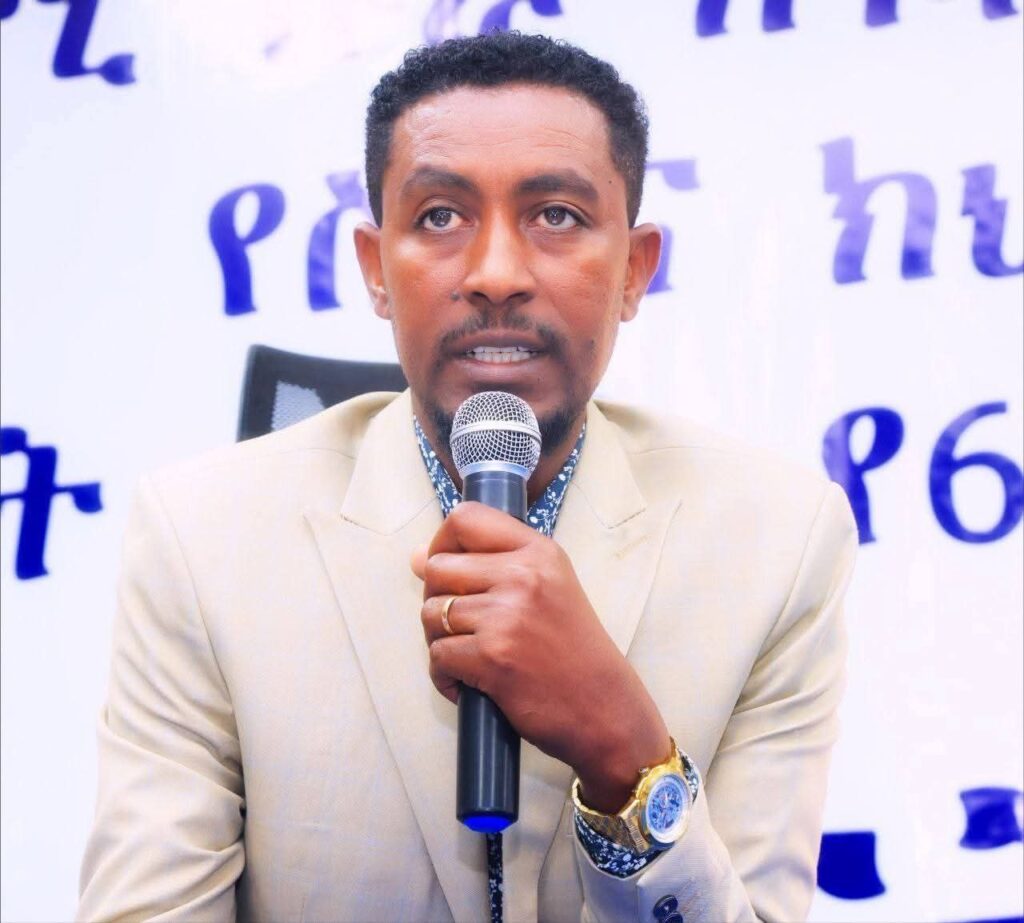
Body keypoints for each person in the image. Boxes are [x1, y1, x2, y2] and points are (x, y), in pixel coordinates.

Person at [78, 32, 856, 923]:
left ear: (634, 271)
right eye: (441, 216)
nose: (495, 275)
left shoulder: (780, 541)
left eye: (555, 214)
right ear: (375, 269)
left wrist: (626, 751)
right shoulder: (200, 536)